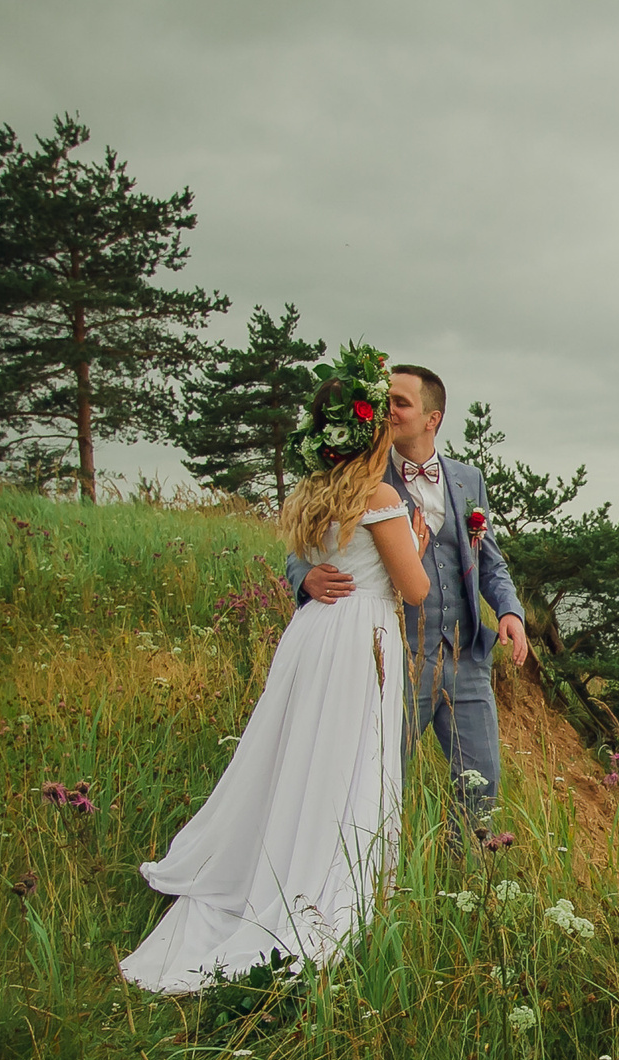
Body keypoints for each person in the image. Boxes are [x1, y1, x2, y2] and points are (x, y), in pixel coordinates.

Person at [121, 343, 432, 994]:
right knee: (348, 762)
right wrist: (417, 544)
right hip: (358, 639)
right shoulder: (377, 494)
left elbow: (328, 562)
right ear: (370, 431)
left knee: (300, 755)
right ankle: (322, 883)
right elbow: (415, 591)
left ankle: (280, 857)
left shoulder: (316, 491)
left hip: (312, 633)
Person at [287, 365, 526, 828]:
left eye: (400, 403)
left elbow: (489, 559)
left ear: (432, 418)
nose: (388, 411)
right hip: (394, 658)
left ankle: (470, 879)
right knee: (377, 776)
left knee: (480, 782)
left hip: (466, 657)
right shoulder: (363, 477)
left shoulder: (468, 479)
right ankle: (366, 874)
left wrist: (509, 611)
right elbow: (311, 536)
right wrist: (303, 577)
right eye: (385, 402)